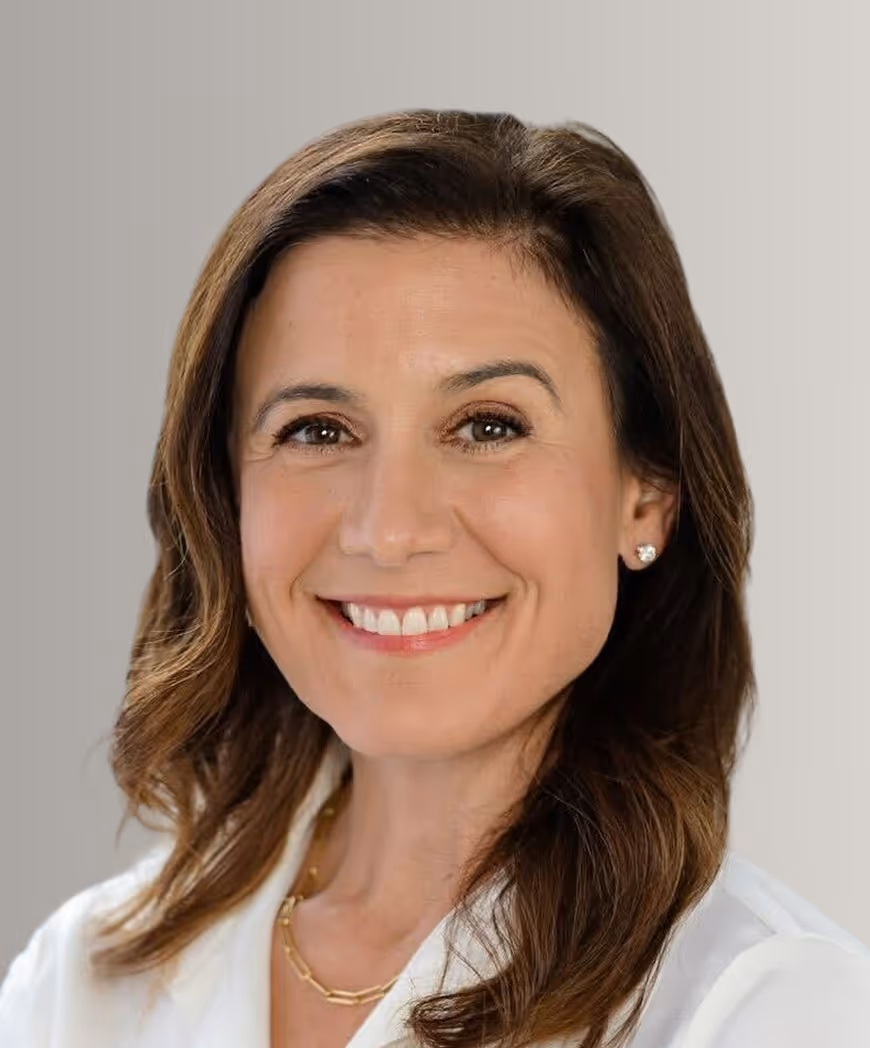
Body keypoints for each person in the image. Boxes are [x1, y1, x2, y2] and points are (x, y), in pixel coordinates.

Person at [1, 108, 868, 1048]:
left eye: (489, 426)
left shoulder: (771, 1010)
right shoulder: (84, 982)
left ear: (645, 495)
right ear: (227, 501)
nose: (390, 530)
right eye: (317, 431)